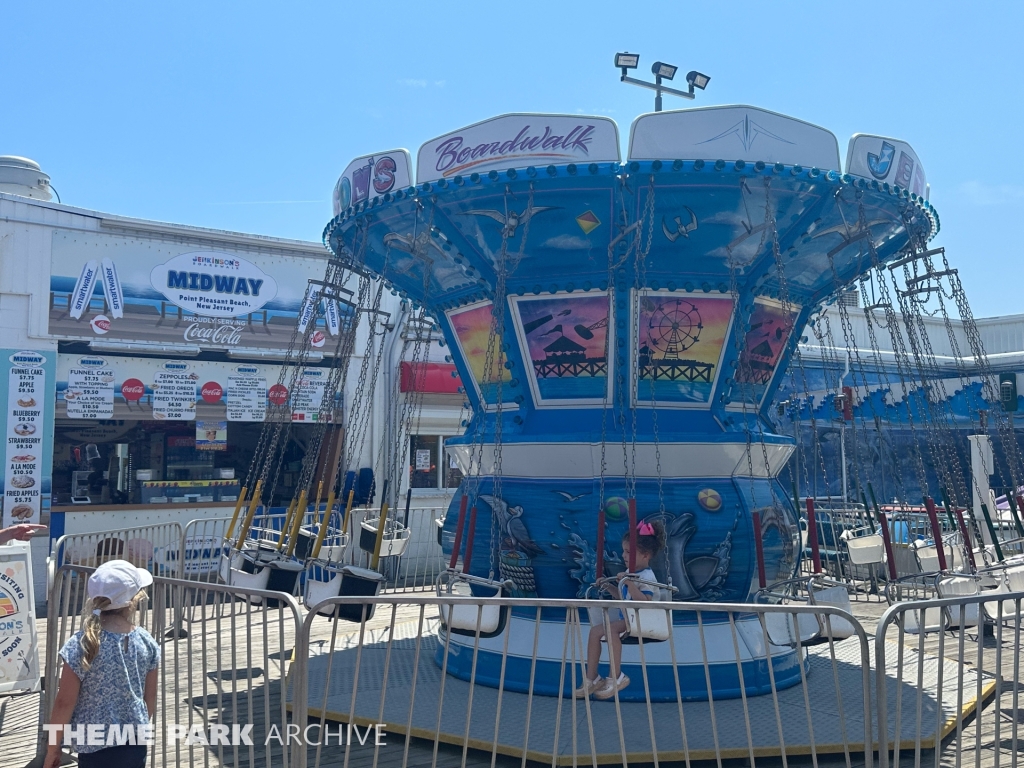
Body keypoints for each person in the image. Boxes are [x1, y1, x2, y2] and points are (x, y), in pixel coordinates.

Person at [45, 560, 159, 768]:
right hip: (133, 741)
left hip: (93, 743)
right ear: (134, 599)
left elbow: (64, 702)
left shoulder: (81, 643)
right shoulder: (146, 641)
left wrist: (53, 749)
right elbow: (149, 697)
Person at [575, 519, 666, 700]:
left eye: (629, 552)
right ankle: (592, 677)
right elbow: (624, 598)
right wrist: (609, 587)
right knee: (595, 632)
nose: (624, 556)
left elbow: (644, 601)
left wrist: (629, 583)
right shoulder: (632, 575)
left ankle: (617, 676)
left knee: (610, 630)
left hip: (643, 619)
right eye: (624, 551)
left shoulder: (647, 576)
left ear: (645, 555)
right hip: (631, 618)